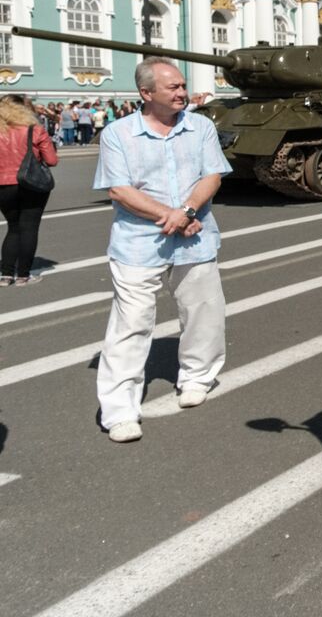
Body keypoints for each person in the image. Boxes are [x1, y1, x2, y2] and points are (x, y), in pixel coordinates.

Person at [94, 56, 233, 443]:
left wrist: (187, 211)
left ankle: (197, 376)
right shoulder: (118, 134)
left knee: (203, 311)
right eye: (172, 87)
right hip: (139, 242)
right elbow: (119, 189)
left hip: (195, 234)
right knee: (131, 323)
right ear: (145, 93)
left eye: (182, 85)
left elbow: (213, 174)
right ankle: (119, 410)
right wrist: (172, 216)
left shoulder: (200, 126)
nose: (182, 92)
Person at [0, 96, 59, 285]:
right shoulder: (35, 130)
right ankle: (24, 275)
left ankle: (6, 274)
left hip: (2, 184)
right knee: (29, 228)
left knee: (13, 227)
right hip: (30, 183)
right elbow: (51, 161)